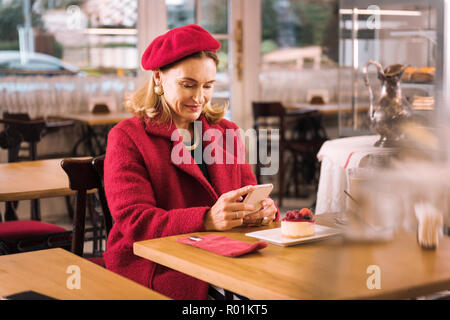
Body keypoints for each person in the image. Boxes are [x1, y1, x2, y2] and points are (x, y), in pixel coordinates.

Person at [103, 24, 278, 300]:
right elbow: (135, 222)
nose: (199, 98)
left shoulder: (228, 132)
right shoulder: (127, 137)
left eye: (207, 86)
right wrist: (207, 219)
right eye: (188, 85)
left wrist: (262, 211)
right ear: (158, 78)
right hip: (161, 265)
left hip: (224, 257)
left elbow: (247, 195)